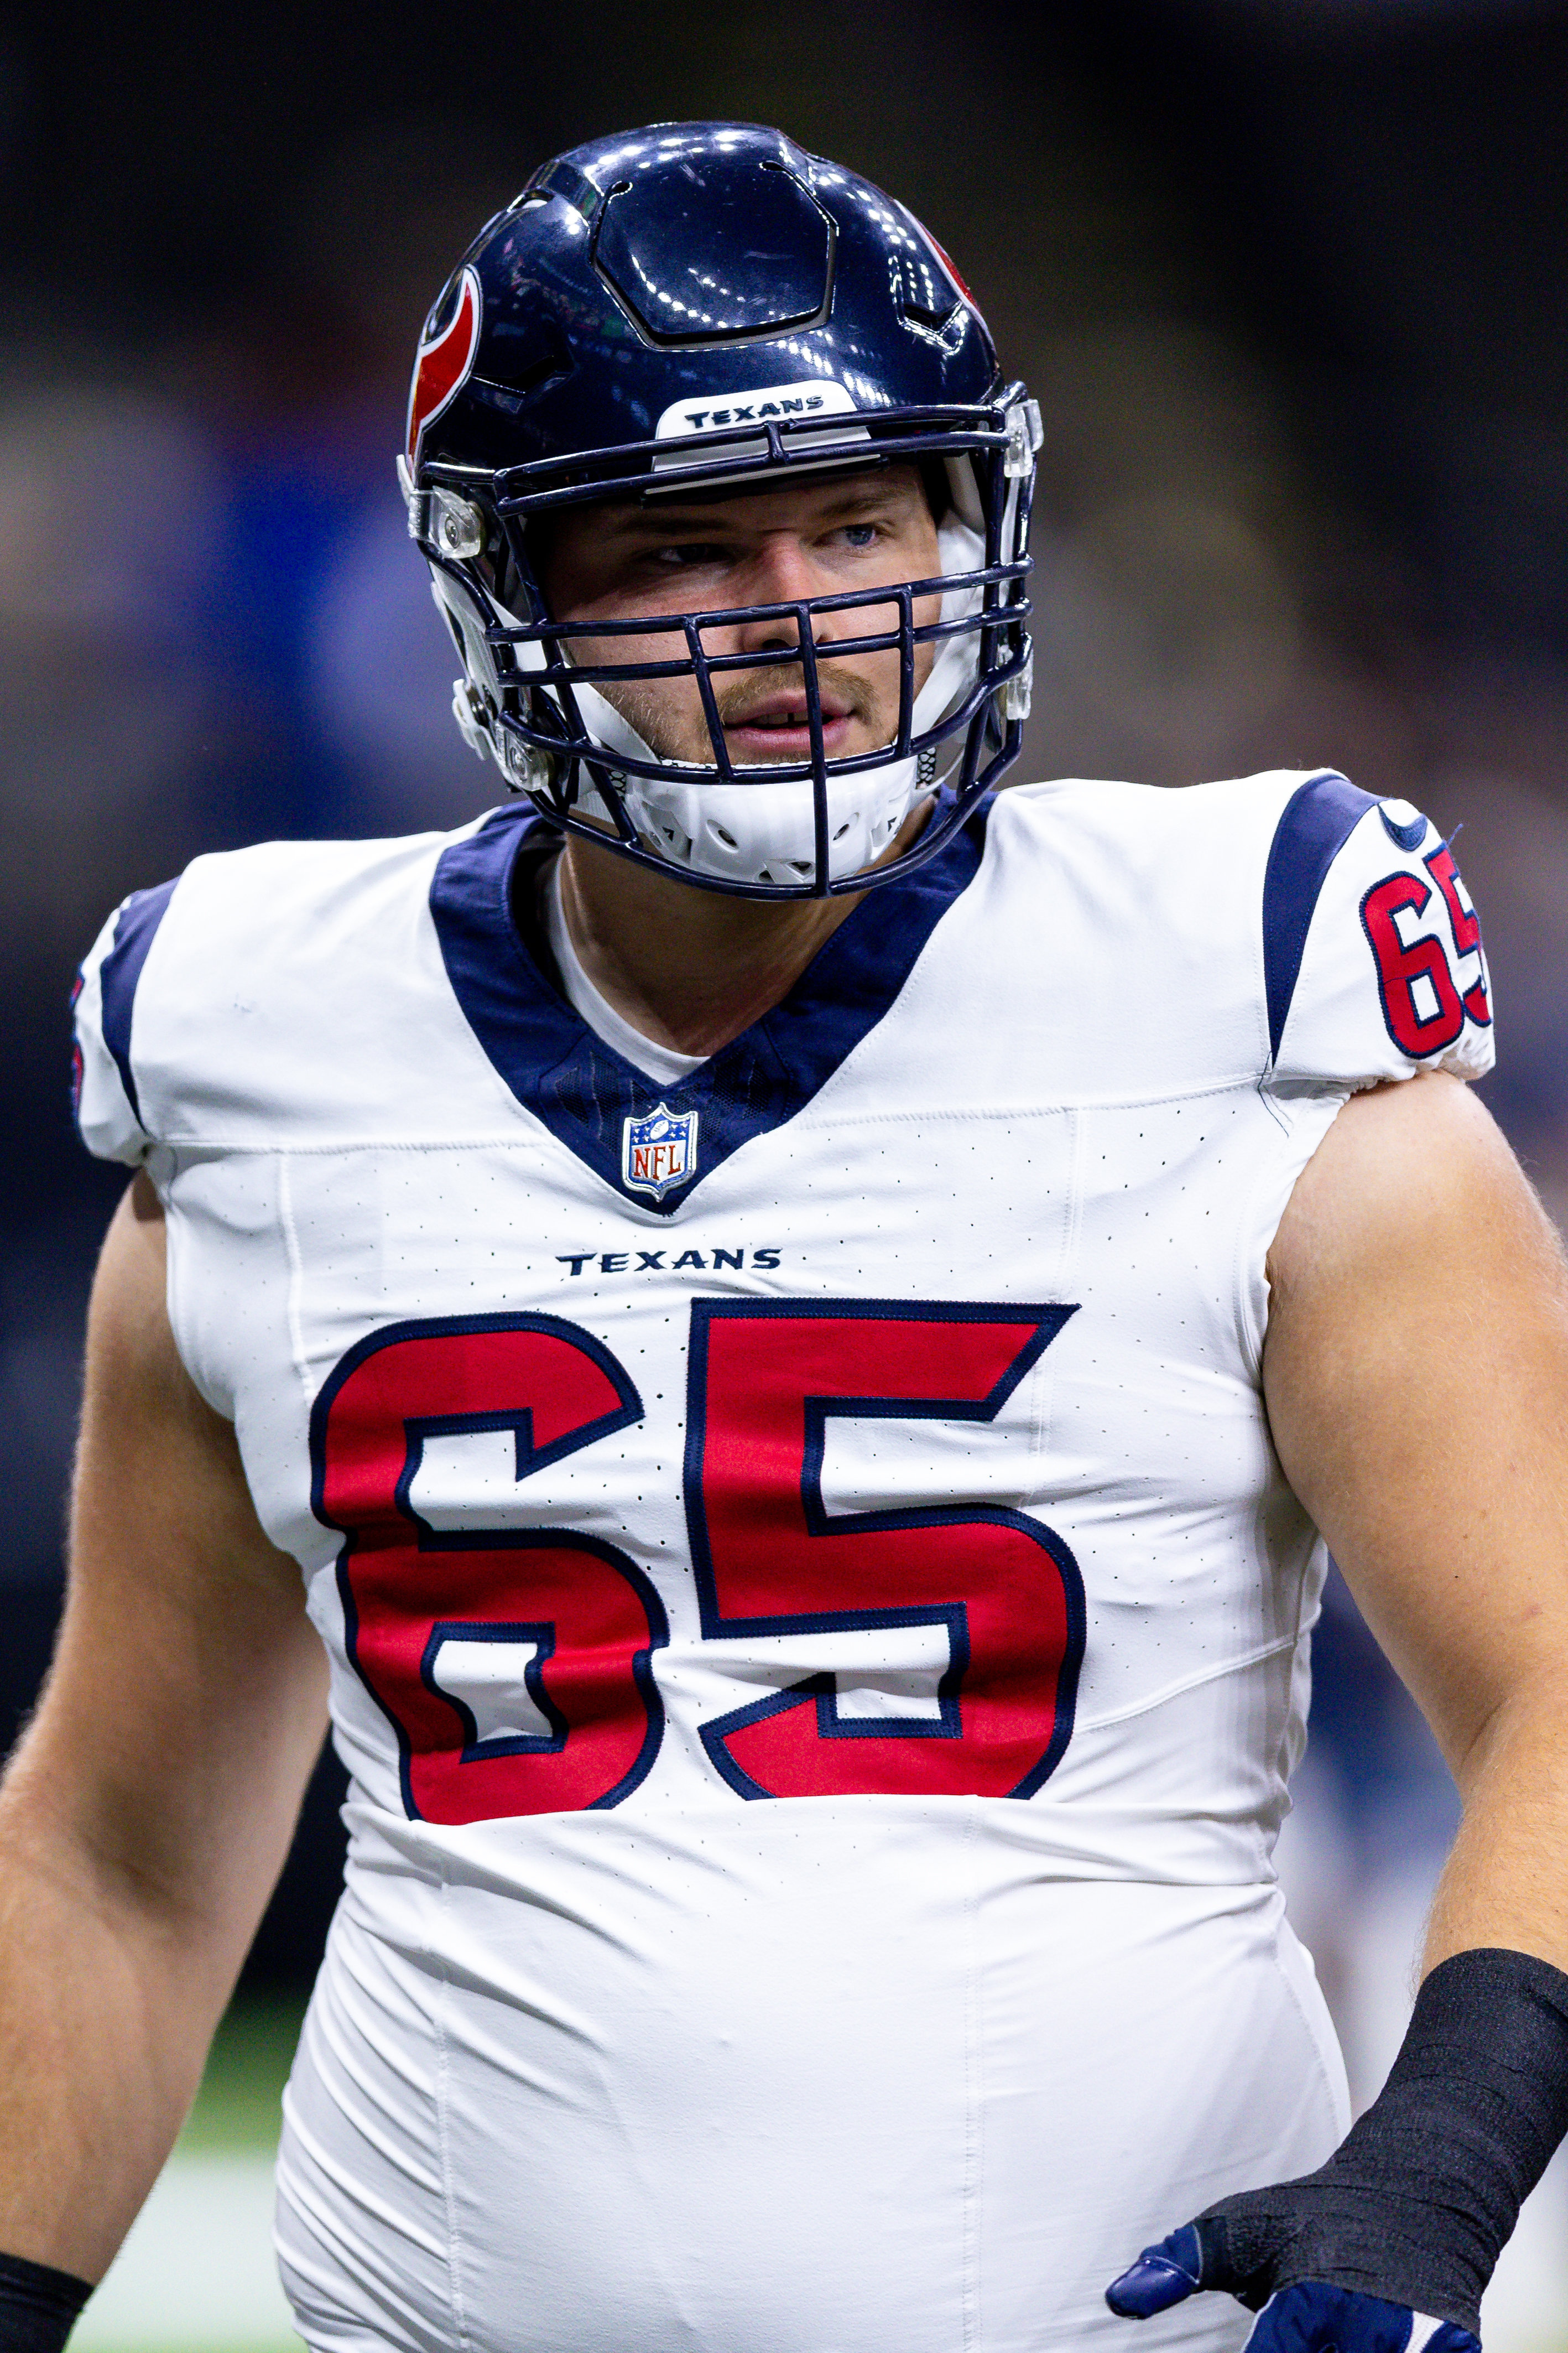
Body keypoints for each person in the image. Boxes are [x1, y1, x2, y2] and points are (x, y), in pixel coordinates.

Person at [0, 120, 1565, 2353]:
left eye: (857, 518)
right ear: (501, 583)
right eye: (682, 546)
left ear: (975, 516)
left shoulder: (1240, 971)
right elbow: (117, 1849)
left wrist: (1432, 2171)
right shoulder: (259, 1034)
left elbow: (1557, 1680)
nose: (798, 615)